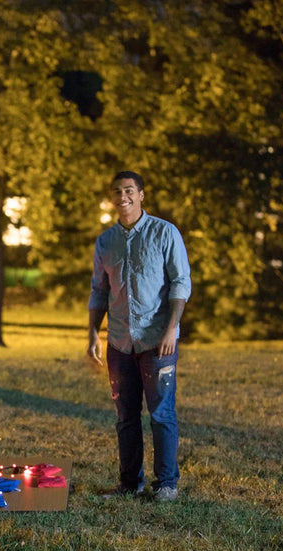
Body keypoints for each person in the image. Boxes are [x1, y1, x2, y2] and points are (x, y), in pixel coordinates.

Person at [87, 171, 191, 502]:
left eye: (129, 190)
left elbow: (180, 282)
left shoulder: (165, 233)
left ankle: (167, 484)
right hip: (119, 342)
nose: (123, 196)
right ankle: (130, 483)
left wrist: (172, 328)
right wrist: (93, 334)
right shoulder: (105, 242)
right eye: (117, 191)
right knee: (125, 417)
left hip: (158, 341)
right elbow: (99, 290)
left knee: (161, 414)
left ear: (141, 195)